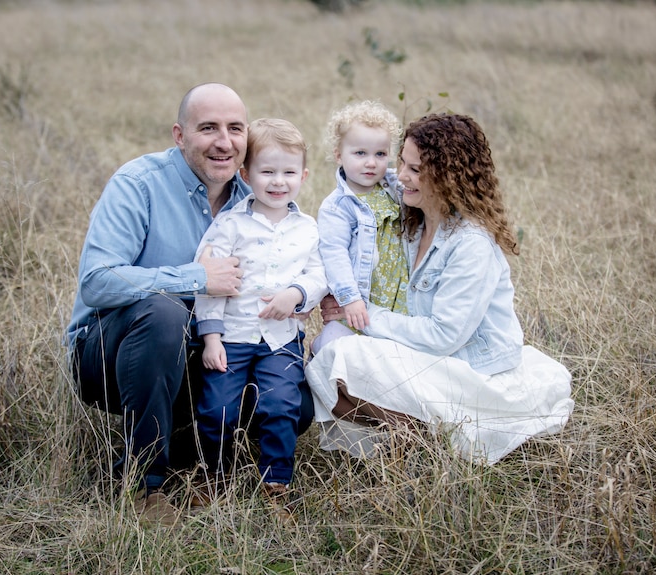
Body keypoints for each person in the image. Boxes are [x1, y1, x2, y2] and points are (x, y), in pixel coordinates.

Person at [65, 84, 314, 526]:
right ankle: (143, 484)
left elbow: (296, 263)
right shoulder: (138, 183)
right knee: (165, 312)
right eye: (208, 128)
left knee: (296, 401)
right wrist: (197, 277)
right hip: (108, 355)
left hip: (209, 353)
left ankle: (197, 455)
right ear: (180, 135)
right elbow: (96, 283)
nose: (224, 141)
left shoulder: (253, 199)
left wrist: (310, 296)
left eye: (235, 128)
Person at [306, 113, 574, 463]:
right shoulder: (413, 221)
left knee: (342, 359)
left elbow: (443, 335)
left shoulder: (471, 243)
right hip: (429, 355)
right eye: (401, 162)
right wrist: (342, 300)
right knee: (323, 354)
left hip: (468, 366)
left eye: (415, 170)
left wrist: (363, 316)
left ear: (447, 176)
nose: (400, 176)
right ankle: (410, 440)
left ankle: (432, 446)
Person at [192, 118, 327, 507]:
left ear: (303, 175)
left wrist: (298, 294)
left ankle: (276, 484)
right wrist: (211, 337)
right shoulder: (230, 224)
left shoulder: (307, 229)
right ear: (246, 173)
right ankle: (214, 478)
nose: (278, 181)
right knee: (217, 408)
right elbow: (210, 280)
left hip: (281, 338)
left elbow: (319, 274)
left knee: (281, 405)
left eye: (288, 172)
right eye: (267, 171)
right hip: (232, 336)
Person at [311, 100, 409, 352]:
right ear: (338, 155)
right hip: (357, 296)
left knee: (384, 355)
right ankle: (318, 356)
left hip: (395, 296)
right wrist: (350, 298)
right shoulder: (337, 207)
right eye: (360, 153)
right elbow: (334, 254)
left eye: (380, 154)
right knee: (336, 347)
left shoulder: (394, 188)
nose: (371, 163)